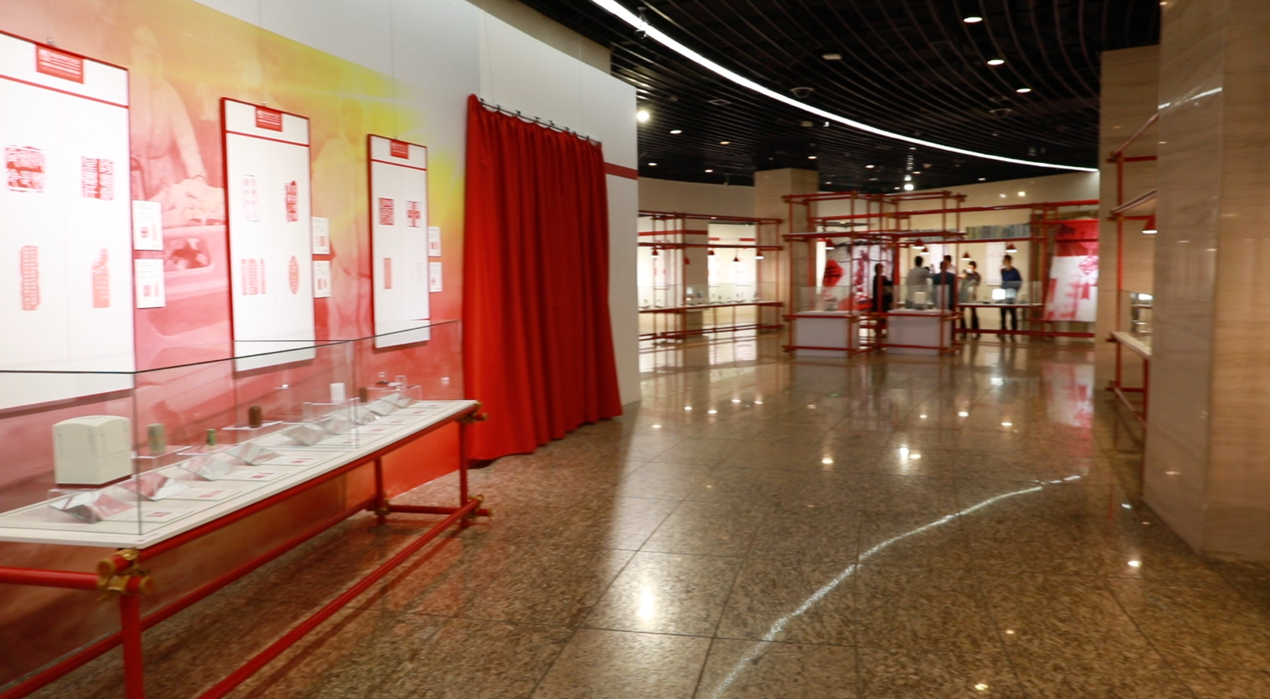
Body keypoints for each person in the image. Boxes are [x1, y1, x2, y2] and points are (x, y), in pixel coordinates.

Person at [1000, 254, 1023, 334]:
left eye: (1005, 261)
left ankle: (1014, 330)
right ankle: (1003, 328)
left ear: (1009, 261)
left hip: (1011, 296)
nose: (1004, 262)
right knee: (1003, 313)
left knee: (1012, 313)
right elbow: (1003, 282)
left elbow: (1019, 283)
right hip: (1004, 295)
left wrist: (1014, 291)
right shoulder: (1002, 271)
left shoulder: (1015, 271)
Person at [960, 261, 981, 336]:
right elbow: (961, 279)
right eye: (968, 267)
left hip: (971, 296)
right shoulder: (965, 272)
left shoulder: (977, 275)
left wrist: (974, 294)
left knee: (974, 313)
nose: (969, 268)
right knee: (961, 313)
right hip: (963, 296)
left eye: (971, 267)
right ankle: (963, 331)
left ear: (974, 268)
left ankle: (976, 330)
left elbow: (976, 285)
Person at [871, 263, 893, 334]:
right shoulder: (881, 278)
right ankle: (880, 330)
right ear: (879, 269)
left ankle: (878, 330)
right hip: (881, 302)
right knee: (883, 316)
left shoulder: (875, 278)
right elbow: (890, 283)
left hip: (876, 301)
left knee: (880, 318)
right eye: (882, 268)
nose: (882, 270)